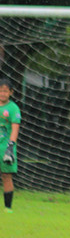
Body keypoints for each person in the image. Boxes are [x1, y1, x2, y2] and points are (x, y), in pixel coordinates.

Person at [0, 78, 22, 212]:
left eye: (5, 91)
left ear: (10, 93)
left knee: (6, 176)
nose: (2, 93)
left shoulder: (13, 108)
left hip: (4, 147)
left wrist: (10, 146)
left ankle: (8, 208)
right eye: (0, 91)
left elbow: (15, 128)